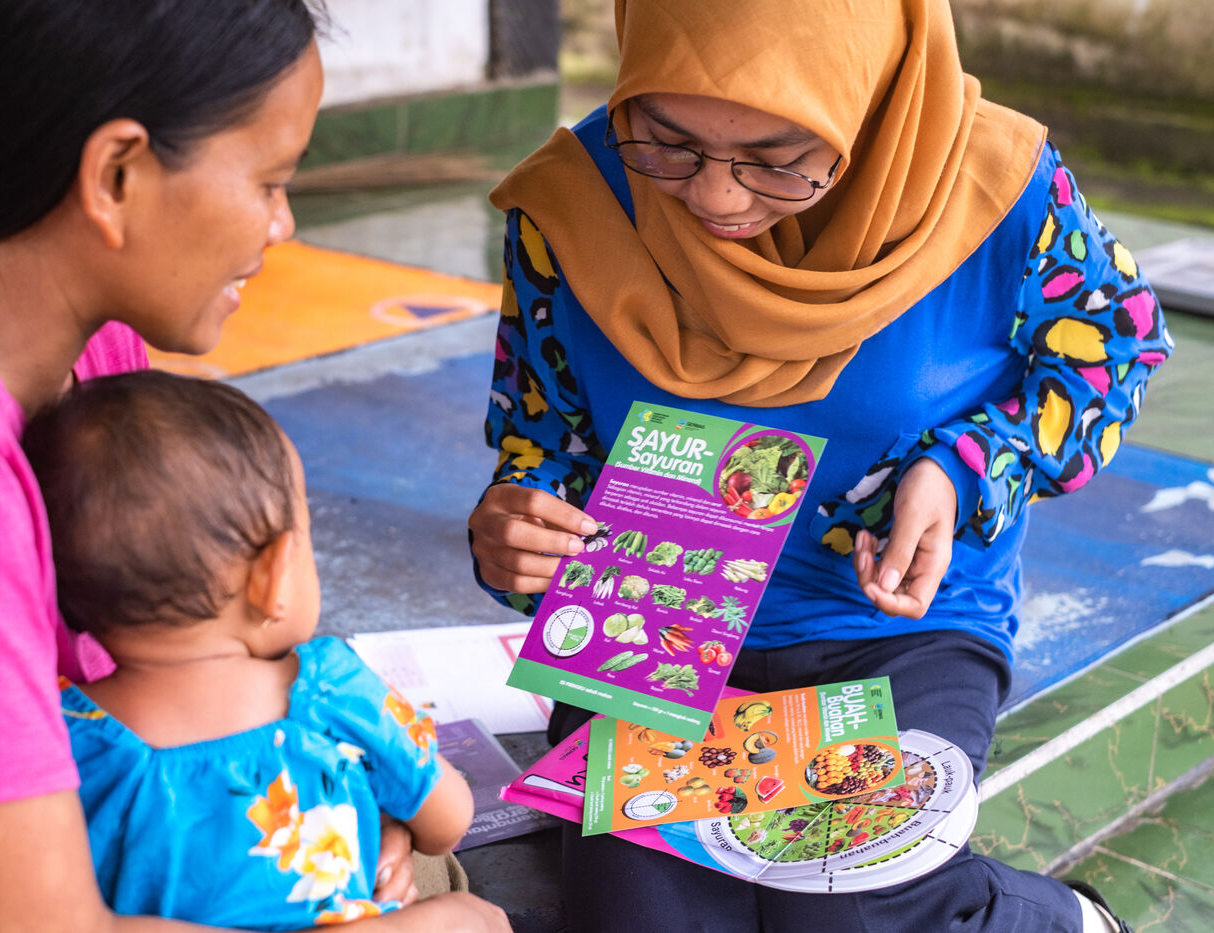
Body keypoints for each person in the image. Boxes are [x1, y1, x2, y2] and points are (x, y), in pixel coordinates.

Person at [466, 1, 1170, 931]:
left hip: (893, 627)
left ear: (867, 104)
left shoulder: (996, 190)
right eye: (666, 141)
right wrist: (518, 524)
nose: (717, 198)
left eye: (777, 157)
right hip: (657, 620)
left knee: (848, 900)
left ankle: (1061, 919)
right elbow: (543, 439)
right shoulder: (573, 207)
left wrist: (965, 468)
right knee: (639, 918)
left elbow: (1116, 348)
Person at [0, 1, 508, 931]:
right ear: (117, 175)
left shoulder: (86, 350)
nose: (283, 224)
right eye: (269, 180)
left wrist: (333, 799)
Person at [20, 370, 477, 929]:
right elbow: (449, 820)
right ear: (272, 575)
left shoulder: (66, 739)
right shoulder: (330, 690)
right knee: (473, 915)